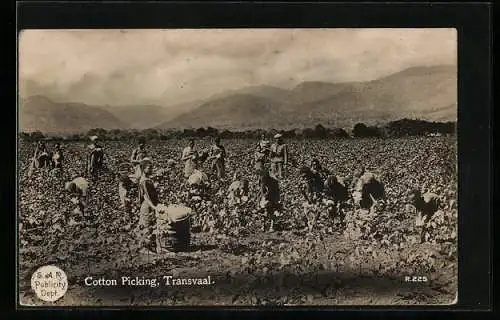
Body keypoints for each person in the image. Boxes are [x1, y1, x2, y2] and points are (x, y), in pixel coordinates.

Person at [136, 158, 160, 254]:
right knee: (147, 227)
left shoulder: (147, 180)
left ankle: (149, 247)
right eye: (149, 168)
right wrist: (154, 207)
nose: (151, 170)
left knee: (151, 226)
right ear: (143, 169)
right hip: (147, 206)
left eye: (151, 168)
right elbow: (146, 197)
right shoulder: (144, 181)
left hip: (151, 205)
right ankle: (143, 248)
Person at [299, 165, 325, 231]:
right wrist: (307, 199)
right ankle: (309, 224)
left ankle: (314, 223)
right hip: (309, 195)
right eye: (303, 177)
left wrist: (316, 196)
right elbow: (303, 192)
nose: (304, 178)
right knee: (306, 209)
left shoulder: (315, 179)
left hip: (318, 194)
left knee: (317, 209)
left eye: (305, 176)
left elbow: (320, 189)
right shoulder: (303, 181)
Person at [258, 166, 281, 232]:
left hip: (272, 198)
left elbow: (276, 191)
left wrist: (276, 200)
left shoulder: (273, 182)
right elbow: (261, 190)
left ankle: (269, 226)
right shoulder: (263, 181)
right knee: (266, 212)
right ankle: (266, 226)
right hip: (266, 198)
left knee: (270, 212)